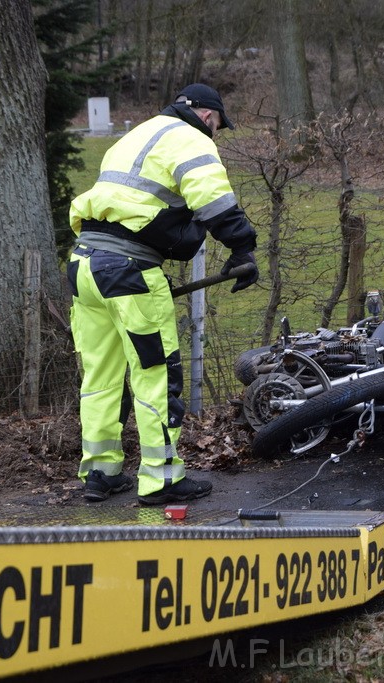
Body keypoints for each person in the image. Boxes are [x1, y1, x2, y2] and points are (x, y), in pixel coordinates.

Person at [68, 83, 259, 504]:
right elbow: (213, 200)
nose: (215, 133)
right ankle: (162, 479)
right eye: (217, 125)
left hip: (84, 263)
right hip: (130, 270)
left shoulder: (135, 135)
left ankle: (101, 473)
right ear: (208, 116)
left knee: (100, 378)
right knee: (156, 376)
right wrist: (242, 247)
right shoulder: (191, 138)